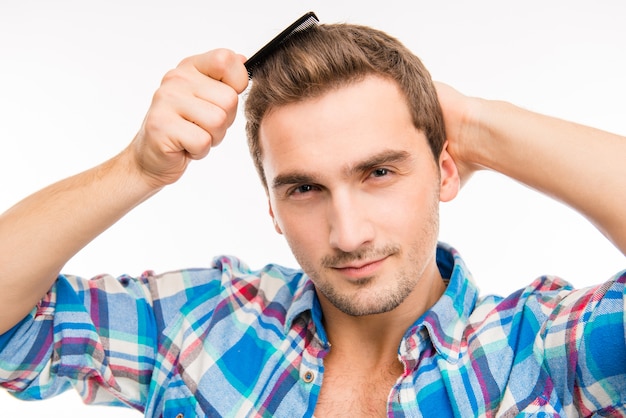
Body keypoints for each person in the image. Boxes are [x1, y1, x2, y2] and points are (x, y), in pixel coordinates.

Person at [0, 21, 624, 417]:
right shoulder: (201, 326)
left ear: (444, 171)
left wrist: (476, 125)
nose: (349, 234)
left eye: (379, 172)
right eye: (304, 188)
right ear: (270, 204)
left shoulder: (541, 353)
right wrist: (138, 168)